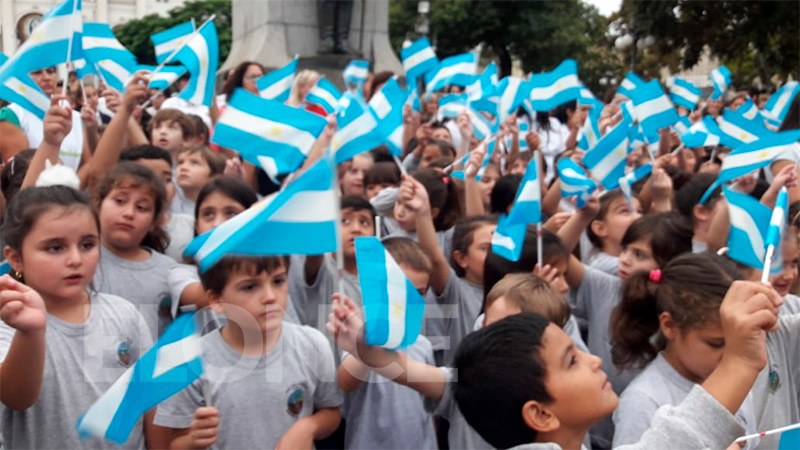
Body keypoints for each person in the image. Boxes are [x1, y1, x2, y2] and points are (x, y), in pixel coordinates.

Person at [0, 186, 153, 448]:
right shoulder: (8, 324)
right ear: (16, 259)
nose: (75, 259)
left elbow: (148, 399)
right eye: (55, 248)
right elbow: (16, 397)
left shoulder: (124, 313)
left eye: (87, 245)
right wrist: (31, 333)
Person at [154, 255, 342, 448]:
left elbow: (331, 411)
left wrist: (308, 426)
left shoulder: (312, 344)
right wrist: (194, 441)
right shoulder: (192, 362)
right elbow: (175, 442)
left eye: (278, 281)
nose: (270, 296)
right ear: (216, 300)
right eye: (250, 287)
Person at [610, 253, 758, 448]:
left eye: (736, 344)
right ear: (670, 326)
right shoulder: (643, 401)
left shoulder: (736, 378)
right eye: (716, 343)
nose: (731, 355)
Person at [337, 237, 438, 450]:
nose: (410, 300)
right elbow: (346, 382)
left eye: (419, 293)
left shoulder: (422, 345)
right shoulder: (361, 338)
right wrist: (368, 348)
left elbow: (429, 406)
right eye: (400, 290)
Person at [91, 163, 178, 338]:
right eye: (120, 201)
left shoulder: (169, 270)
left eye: (142, 207)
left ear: (154, 221)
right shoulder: (82, 259)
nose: (129, 213)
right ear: (99, 204)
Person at [0, 67, 87, 171]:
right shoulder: (12, 115)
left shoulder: (77, 117)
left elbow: (87, 165)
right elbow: (18, 173)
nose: (46, 78)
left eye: (50, 72)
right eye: (37, 72)